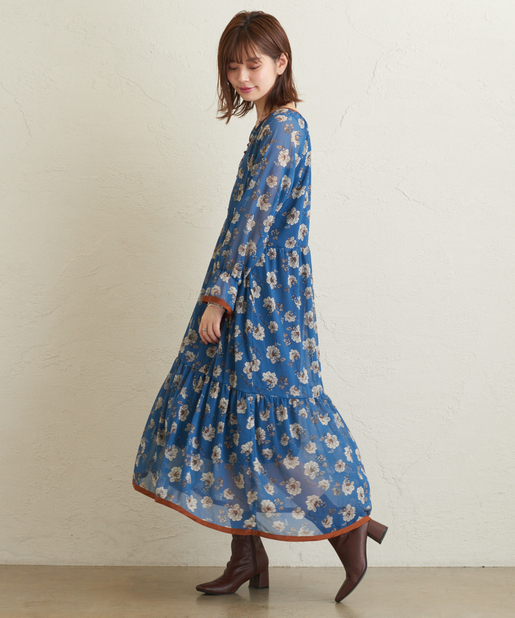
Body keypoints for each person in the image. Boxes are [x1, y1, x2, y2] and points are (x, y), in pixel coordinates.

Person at [132, 10, 388, 603]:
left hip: (260, 298)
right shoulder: (272, 127)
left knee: (276, 424)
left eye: (254, 64)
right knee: (234, 422)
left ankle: (348, 525)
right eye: (233, 66)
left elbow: (252, 221)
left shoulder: (282, 131)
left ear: (281, 62)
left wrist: (219, 297)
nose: (243, 76)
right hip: (260, 289)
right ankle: (247, 554)